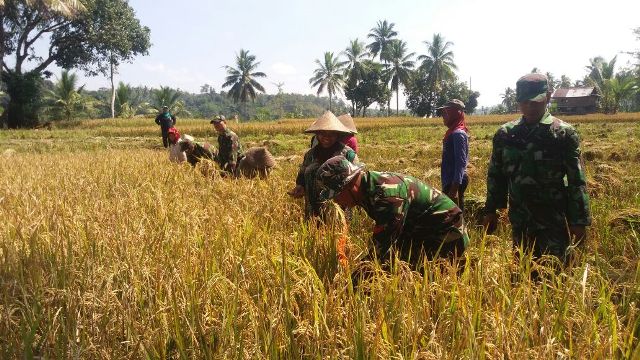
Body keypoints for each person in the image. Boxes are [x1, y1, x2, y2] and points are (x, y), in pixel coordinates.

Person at [482, 73, 591, 266]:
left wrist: (579, 221)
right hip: (520, 221)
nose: (530, 107)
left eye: (536, 101)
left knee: (556, 274)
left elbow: (577, 181)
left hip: (553, 221)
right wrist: (491, 210)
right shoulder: (506, 135)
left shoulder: (563, 134)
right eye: (524, 102)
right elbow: (496, 175)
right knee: (522, 273)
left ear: (548, 97)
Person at [316, 155, 469, 269]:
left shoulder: (388, 197)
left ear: (350, 185)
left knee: (425, 277)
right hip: (418, 228)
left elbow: (380, 248)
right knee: (395, 264)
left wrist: (351, 283)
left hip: (446, 231)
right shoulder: (363, 188)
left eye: (336, 195)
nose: (336, 201)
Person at [288, 111, 358, 218]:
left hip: (339, 210)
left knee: (337, 233)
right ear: (317, 134)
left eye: (332, 134)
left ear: (338, 134)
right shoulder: (310, 155)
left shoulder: (347, 154)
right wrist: (300, 187)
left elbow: (357, 181)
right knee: (313, 233)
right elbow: (302, 175)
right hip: (313, 210)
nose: (327, 137)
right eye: (322, 133)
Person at [438, 99, 469, 212]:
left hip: (455, 181)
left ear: (454, 114)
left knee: (455, 215)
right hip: (451, 179)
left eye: (445, 113)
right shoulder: (453, 132)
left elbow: (460, 162)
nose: (443, 116)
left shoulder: (457, 134)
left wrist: (454, 189)